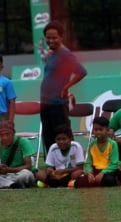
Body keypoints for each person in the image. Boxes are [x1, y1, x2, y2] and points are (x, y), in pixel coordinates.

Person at [40, 20, 87, 152]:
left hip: (58, 103)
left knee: (63, 136)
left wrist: (66, 87)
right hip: (46, 103)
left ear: (61, 37)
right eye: (48, 38)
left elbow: (81, 71)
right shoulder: (51, 54)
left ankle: (73, 166)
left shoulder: (65, 53)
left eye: (54, 37)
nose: (51, 40)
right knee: (48, 137)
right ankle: (52, 167)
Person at [0, 121, 35, 188]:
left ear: (13, 133)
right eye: (2, 135)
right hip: (4, 174)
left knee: (26, 174)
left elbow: (28, 166)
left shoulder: (23, 142)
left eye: (7, 134)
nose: (4, 137)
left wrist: (10, 170)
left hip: (19, 173)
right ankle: (11, 185)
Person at [72, 117, 119, 188]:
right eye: (96, 129)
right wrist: (89, 173)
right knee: (78, 183)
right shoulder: (92, 145)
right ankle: (96, 182)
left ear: (107, 130)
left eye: (101, 129)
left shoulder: (113, 144)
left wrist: (102, 173)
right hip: (95, 171)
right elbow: (88, 162)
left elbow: (114, 164)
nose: (98, 132)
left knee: (109, 180)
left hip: (108, 171)